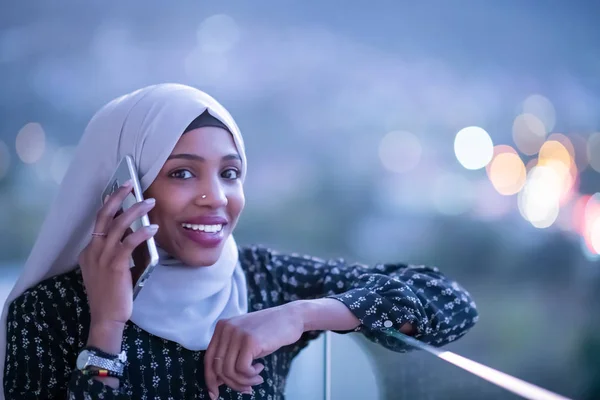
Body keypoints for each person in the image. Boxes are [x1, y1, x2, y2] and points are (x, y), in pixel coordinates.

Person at [1, 84, 478, 400]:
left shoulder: (263, 281)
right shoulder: (49, 310)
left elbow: (451, 305)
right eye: (182, 173)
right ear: (123, 187)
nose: (216, 197)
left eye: (230, 173)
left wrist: (301, 314)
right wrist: (105, 330)